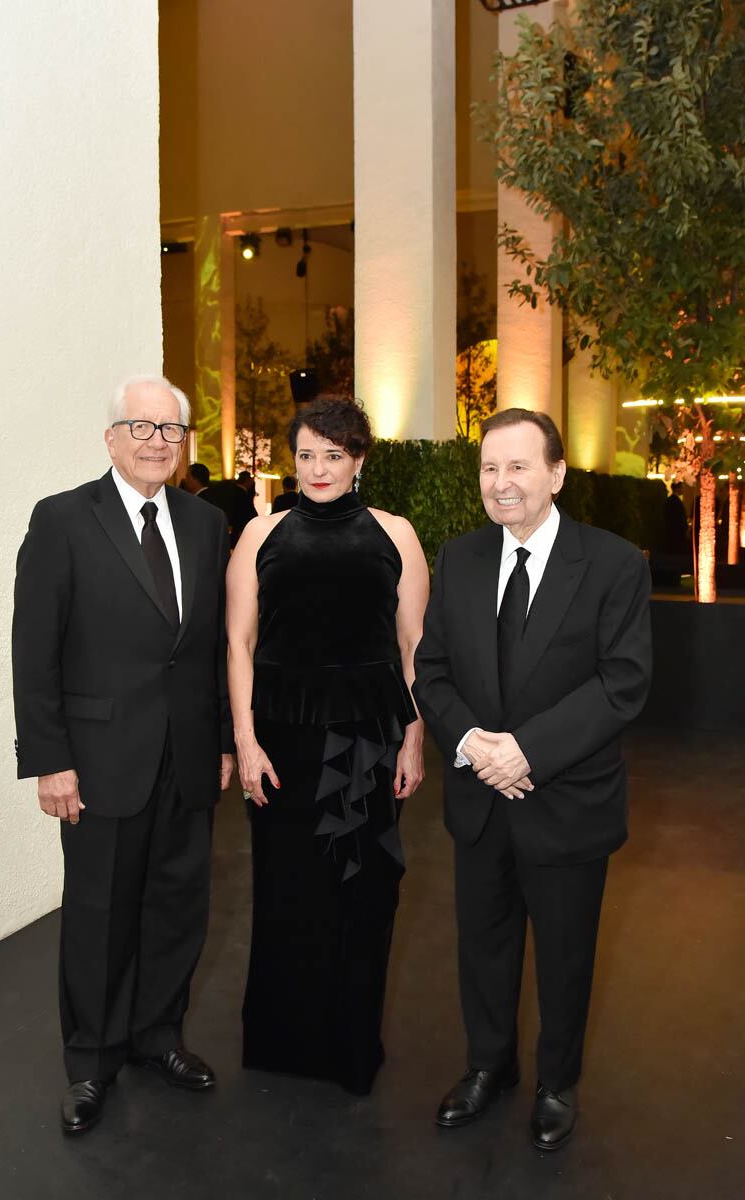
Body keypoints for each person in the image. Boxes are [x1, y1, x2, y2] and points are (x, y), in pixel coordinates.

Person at [413, 408, 651, 1151]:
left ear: (555, 475)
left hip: (568, 802)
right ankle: (489, 1069)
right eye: (489, 468)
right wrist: (473, 744)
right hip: (480, 799)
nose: (501, 482)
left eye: (518, 467)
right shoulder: (458, 559)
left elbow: (623, 683)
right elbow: (432, 671)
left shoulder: (613, 563)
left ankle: (556, 1082)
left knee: (565, 953)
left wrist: (528, 751)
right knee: (481, 947)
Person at [12, 375, 234, 1136]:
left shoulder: (207, 526)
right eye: (139, 427)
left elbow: (208, 650)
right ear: (110, 438)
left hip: (189, 755)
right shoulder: (63, 519)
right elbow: (33, 650)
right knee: (100, 912)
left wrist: (226, 744)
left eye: (169, 430)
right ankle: (92, 1059)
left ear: (183, 443)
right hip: (99, 758)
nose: (155, 441)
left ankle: (158, 1036)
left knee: (178, 906)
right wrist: (49, 758)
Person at [226, 395, 429, 1095]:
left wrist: (415, 738)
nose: (317, 469)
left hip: (365, 740)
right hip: (282, 735)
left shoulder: (395, 534)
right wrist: (245, 741)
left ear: (358, 459)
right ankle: (285, 1043)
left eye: (333, 455)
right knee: (286, 890)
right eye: (306, 454)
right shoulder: (261, 534)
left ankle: (348, 1044)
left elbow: (414, 648)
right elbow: (238, 643)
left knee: (361, 890)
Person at [231, 470, 259, 545]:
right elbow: (243, 513)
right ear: (247, 480)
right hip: (242, 530)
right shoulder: (242, 495)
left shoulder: (236, 492)